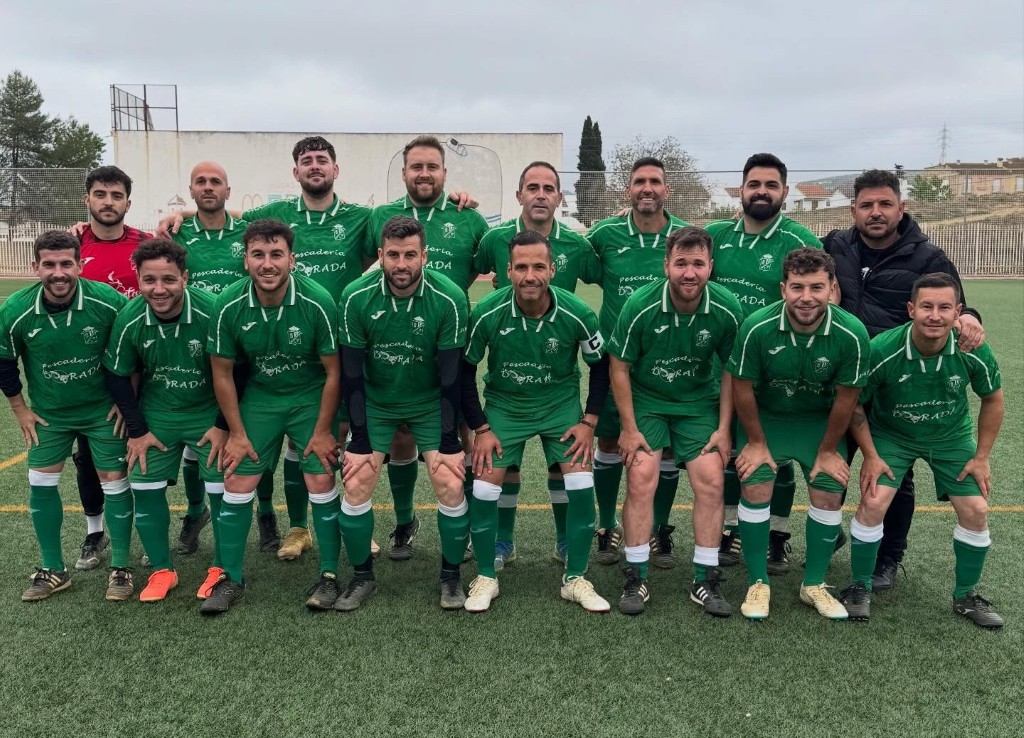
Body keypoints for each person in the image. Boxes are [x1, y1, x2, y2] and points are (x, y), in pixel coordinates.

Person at [825, 168, 984, 590]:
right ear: (854, 209)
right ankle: (826, 533)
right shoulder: (835, 245)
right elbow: (806, 271)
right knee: (830, 461)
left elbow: (957, 304)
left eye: (885, 204)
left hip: (893, 387)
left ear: (901, 207)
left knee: (894, 477)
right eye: (867, 205)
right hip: (841, 379)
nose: (875, 212)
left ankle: (888, 558)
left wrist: (970, 316)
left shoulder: (927, 257)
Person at [839, 273, 1003, 628]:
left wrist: (981, 457)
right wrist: (871, 455)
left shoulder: (971, 348)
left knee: (976, 509)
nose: (935, 315)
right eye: (927, 306)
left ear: (958, 312)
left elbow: (992, 399)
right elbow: (854, 404)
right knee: (873, 501)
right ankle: (859, 587)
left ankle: (965, 595)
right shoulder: (883, 348)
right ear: (911, 309)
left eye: (944, 307)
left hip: (950, 437)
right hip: (893, 436)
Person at [461, 229, 610, 613]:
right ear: (507, 271)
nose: (531, 276)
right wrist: (481, 428)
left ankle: (575, 578)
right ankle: (486, 576)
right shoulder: (487, 312)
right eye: (522, 267)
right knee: (484, 487)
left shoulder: (578, 312)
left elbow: (601, 366)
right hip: (505, 408)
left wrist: (589, 422)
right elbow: (463, 372)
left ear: (553, 269)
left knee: (581, 482)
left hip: (560, 408)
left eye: (539, 267)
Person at [203, 219, 341, 614]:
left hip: (308, 396)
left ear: (291, 260)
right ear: (245, 260)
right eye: (258, 255)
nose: (268, 264)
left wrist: (322, 431)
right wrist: (236, 432)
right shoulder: (228, 304)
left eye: (276, 254)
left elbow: (334, 372)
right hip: (261, 397)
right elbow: (222, 373)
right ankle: (231, 578)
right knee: (236, 476)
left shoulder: (318, 301)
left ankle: (330, 575)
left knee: (320, 475)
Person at [726, 248, 869, 620]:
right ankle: (758, 582)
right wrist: (756, 442)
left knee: (829, 489)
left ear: (832, 288)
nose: (807, 297)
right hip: (767, 420)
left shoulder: (852, 333)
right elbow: (742, 387)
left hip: (817, 423)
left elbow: (847, 399)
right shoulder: (756, 326)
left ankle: (814, 584)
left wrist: (828, 450)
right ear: (783, 289)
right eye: (797, 287)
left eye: (816, 287)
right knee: (756, 484)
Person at [336, 216, 469, 612]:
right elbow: (351, 374)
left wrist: (449, 441)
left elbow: (451, 377)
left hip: (429, 401)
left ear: (424, 256)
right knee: (357, 480)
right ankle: (362, 577)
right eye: (393, 255)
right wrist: (360, 440)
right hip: (376, 402)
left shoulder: (449, 298)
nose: (401, 264)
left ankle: (451, 576)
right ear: (380, 255)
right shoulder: (356, 296)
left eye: (410, 255)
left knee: (449, 480)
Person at [474, 161, 602, 571]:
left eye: (549, 188)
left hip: (557, 385)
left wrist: (590, 420)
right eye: (533, 187)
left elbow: (611, 275)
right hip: (508, 386)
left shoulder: (578, 247)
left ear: (560, 197)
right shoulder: (494, 239)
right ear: (519, 195)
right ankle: (501, 543)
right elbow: (462, 269)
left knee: (565, 469)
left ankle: (567, 543)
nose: (541, 194)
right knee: (502, 467)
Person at [609, 226, 742, 616]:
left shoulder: (727, 307)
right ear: (666, 265)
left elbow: (731, 370)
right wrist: (629, 428)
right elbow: (619, 366)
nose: (689, 273)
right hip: (648, 402)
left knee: (712, 479)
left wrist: (724, 428)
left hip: (699, 403)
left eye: (698, 264)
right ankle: (635, 575)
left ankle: (705, 578)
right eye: (681, 263)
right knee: (640, 476)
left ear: (710, 266)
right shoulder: (640, 304)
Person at [369, 135, 488, 562]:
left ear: (444, 173)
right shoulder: (380, 216)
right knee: (401, 436)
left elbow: (490, 266)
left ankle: (467, 527)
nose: (424, 174)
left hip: (450, 346)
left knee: (461, 434)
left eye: (432, 167)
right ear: (404, 173)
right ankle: (405, 522)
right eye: (416, 167)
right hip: (395, 345)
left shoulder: (469, 219)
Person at [705, 153, 823, 575]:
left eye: (771, 185)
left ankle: (777, 535)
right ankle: (732, 529)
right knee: (732, 451)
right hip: (723, 367)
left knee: (779, 455)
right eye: (754, 184)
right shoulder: (716, 236)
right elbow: (678, 250)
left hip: (777, 369)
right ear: (741, 189)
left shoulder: (799, 240)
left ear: (785, 192)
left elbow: (824, 295)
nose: (761, 191)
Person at [0, 230, 130, 601]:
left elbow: (132, 347)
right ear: (35, 267)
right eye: (49, 265)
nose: (58, 273)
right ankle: (53, 568)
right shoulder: (16, 310)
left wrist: (127, 400)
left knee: (114, 481)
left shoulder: (108, 301)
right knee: (40, 480)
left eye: (66, 264)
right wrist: (20, 409)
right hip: (49, 415)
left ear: (79, 265)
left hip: (101, 410)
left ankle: (121, 567)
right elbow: (4, 362)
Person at [103, 239, 228, 602]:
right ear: (139, 280)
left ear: (185, 278)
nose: (159, 289)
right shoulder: (130, 317)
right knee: (144, 486)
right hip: (158, 413)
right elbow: (117, 375)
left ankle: (221, 567)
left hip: (207, 412)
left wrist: (223, 425)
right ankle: (162, 570)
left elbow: (238, 369)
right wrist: (138, 431)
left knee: (224, 490)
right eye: (149, 280)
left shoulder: (212, 310)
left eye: (169, 279)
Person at [588, 156, 691, 569]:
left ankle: (659, 529)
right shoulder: (604, 234)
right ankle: (606, 525)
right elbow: (567, 251)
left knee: (664, 450)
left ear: (667, 189)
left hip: (670, 362)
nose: (647, 188)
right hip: (617, 362)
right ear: (627, 190)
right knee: (609, 442)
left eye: (655, 181)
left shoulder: (684, 235)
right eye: (639, 182)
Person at [70, 166, 153, 571]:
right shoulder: (73, 245)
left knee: (150, 454)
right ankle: (94, 532)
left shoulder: (146, 244)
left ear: (127, 203)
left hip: (144, 367)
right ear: (87, 199)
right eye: (100, 194)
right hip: (92, 373)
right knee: (89, 457)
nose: (108, 202)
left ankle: (152, 533)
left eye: (116, 195)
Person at [169, 162, 253, 555]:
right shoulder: (177, 234)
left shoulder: (246, 229)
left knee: (248, 435)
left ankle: (266, 512)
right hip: (192, 347)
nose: (207, 187)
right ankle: (194, 511)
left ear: (228, 190)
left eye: (215, 182)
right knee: (196, 439)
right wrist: (180, 215)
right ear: (190, 189)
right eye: (200, 182)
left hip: (241, 348)